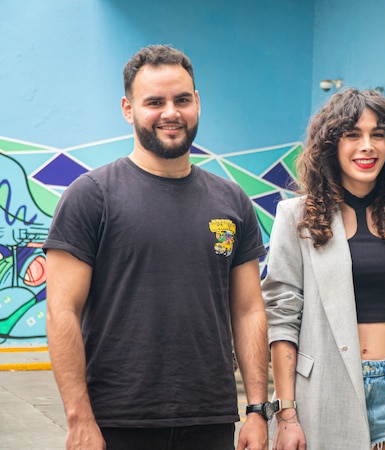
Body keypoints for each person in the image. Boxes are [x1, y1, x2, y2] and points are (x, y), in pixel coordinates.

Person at [44, 45, 269, 450]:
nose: (171, 112)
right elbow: (62, 311)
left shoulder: (232, 201)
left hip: (211, 419)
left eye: (182, 99)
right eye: (154, 102)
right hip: (117, 421)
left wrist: (257, 409)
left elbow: (249, 309)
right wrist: (78, 418)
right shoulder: (91, 196)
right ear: (129, 109)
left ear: (197, 103)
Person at [262, 88, 385, 450]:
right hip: (323, 393)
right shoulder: (296, 217)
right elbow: (282, 319)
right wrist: (286, 414)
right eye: (353, 135)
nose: (367, 146)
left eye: (378, 135)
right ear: (331, 144)